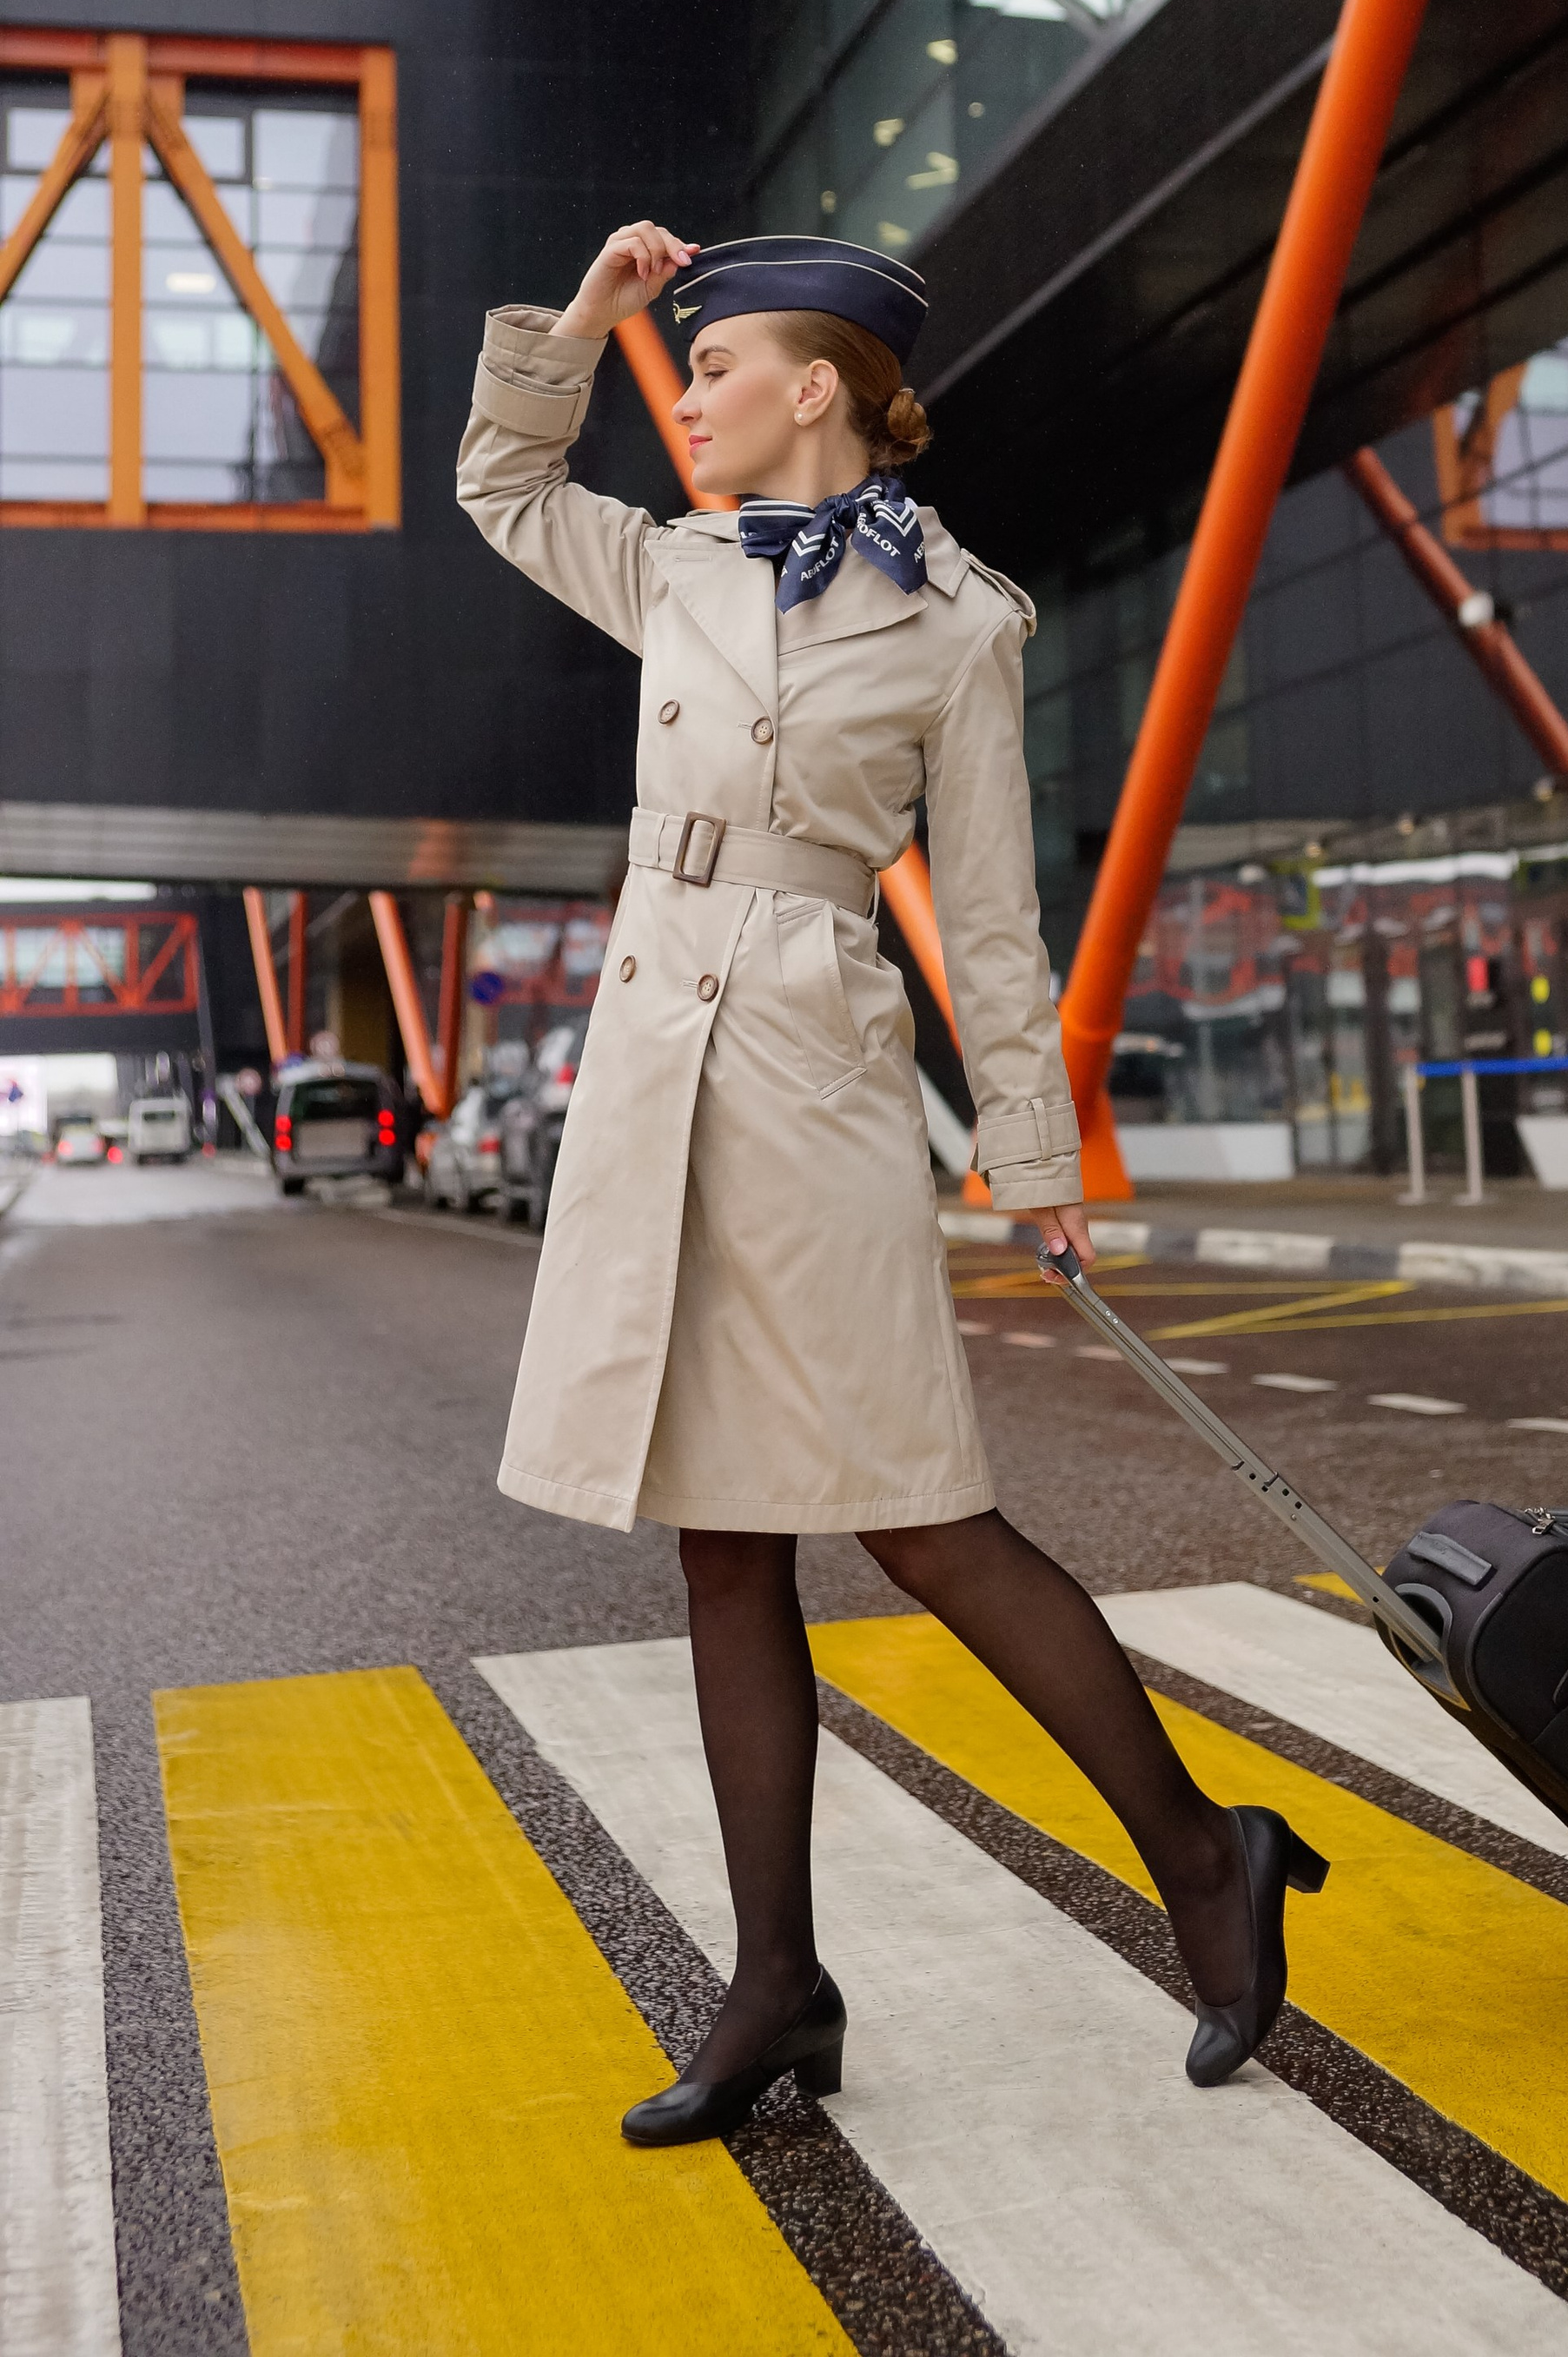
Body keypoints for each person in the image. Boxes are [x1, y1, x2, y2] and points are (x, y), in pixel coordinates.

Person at [457, 224, 1325, 2142]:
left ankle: (1198, 1852)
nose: (679, 398)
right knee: (721, 1541)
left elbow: (997, 912)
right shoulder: (669, 565)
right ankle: (776, 1985)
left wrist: (1029, 1149)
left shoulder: (960, 625)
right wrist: (592, 311)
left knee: (919, 1516)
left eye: (708, 367)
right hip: (652, 1051)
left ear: (816, 389)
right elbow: (501, 479)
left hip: (818, 1063)